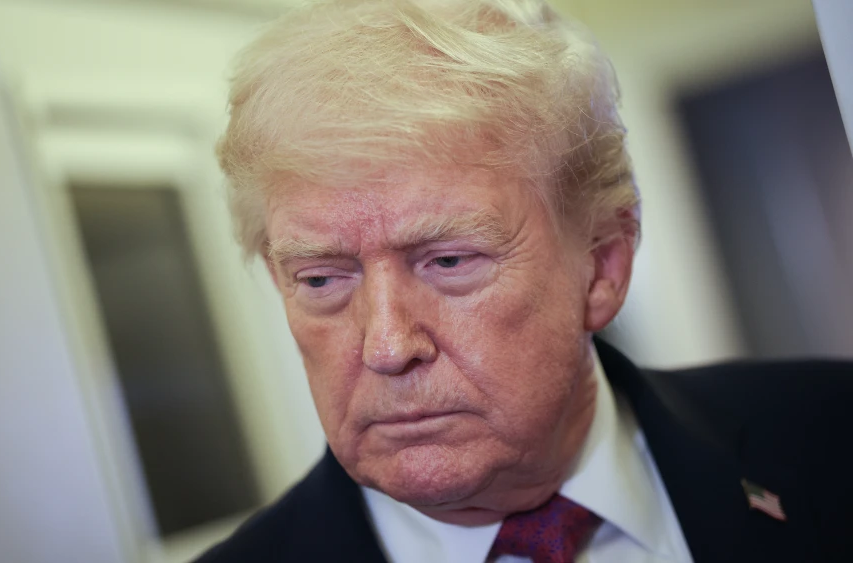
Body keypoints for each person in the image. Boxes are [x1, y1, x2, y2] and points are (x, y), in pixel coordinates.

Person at [197, 0, 853, 561]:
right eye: (320, 279)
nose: (388, 347)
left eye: (448, 261)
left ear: (603, 262)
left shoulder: (831, 433)